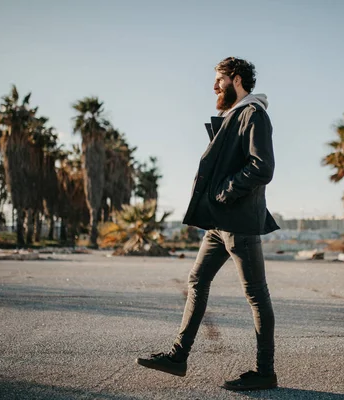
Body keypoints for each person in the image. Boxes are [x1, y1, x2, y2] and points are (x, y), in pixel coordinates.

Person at [136, 57, 280, 391]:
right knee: (197, 280)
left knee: (256, 294)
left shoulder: (253, 114)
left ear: (237, 79)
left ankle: (264, 371)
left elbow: (263, 167)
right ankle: (177, 356)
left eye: (220, 79)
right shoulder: (234, 115)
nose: (214, 86)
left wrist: (226, 193)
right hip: (220, 223)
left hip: (239, 222)